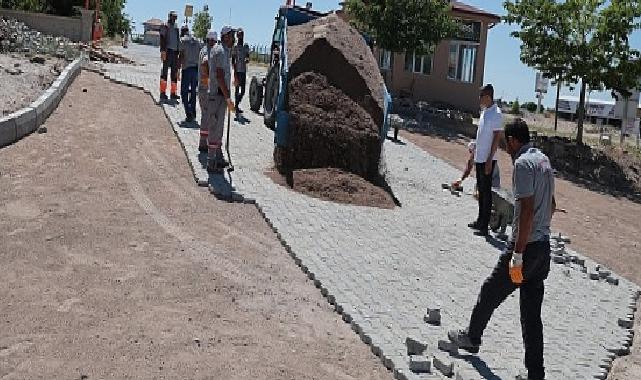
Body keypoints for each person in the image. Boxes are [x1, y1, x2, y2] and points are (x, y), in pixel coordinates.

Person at [448, 119, 556, 380]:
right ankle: (536, 374)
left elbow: (527, 210)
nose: (507, 148)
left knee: (491, 291)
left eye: (508, 143)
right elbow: (551, 205)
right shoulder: (543, 161)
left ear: (514, 140)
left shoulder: (522, 164)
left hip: (525, 252)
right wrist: (539, 233)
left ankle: (472, 338)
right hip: (542, 253)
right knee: (531, 316)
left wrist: (517, 255)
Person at [469, 84, 503, 236]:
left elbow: (496, 138)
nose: (479, 99)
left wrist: (490, 159)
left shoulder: (496, 113)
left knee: (486, 192)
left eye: (481, 96)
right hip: (480, 157)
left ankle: (484, 226)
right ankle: (479, 220)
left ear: (488, 96)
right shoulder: (485, 112)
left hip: (488, 159)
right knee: (481, 191)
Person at [206, 26, 236, 173]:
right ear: (225, 36)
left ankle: (217, 157)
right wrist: (228, 97)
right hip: (217, 95)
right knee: (214, 128)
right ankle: (211, 162)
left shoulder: (225, 51)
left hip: (221, 95)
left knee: (219, 129)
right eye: (232, 35)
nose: (234, 38)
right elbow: (219, 76)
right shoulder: (219, 51)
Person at [198, 31, 218, 152]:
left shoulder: (203, 49)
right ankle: (203, 143)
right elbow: (205, 63)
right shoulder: (207, 51)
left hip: (203, 87)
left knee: (205, 115)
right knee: (206, 116)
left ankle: (204, 141)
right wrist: (209, 79)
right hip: (205, 89)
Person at [178, 25, 202, 122]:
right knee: (193, 92)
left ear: (182, 32)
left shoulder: (182, 40)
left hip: (186, 69)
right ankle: (193, 111)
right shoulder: (197, 40)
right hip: (196, 69)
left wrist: (178, 69)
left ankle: (189, 113)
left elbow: (181, 56)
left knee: (184, 92)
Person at [159, 11, 181, 101]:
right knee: (164, 72)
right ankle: (163, 93)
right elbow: (162, 38)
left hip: (175, 53)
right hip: (167, 51)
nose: (175, 19)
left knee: (174, 74)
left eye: (176, 17)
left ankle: (173, 93)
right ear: (170, 17)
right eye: (173, 17)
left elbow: (178, 39)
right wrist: (163, 51)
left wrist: (178, 51)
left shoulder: (176, 27)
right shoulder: (165, 26)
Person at [231, 28, 250, 115]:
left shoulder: (245, 46)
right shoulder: (235, 47)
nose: (240, 36)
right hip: (237, 71)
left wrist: (247, 59)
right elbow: (233, 59)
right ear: (237, 36)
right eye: (239, 34)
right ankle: (236, 107)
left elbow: (247, 56)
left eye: (242, 34)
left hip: (243, 70)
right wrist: (234, 71)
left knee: (242, 91)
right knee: (237, 89)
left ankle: (236, 104)